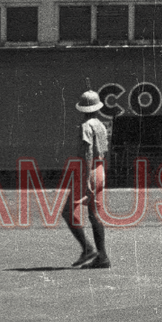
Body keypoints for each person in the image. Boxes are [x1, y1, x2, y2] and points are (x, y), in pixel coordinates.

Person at [65, 90, 112, 269]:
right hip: (100, 170)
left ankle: (88, 249)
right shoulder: (101, 124)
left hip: (88, 170)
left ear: (82, 108)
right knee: (95, 215)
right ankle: (102, 257)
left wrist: (86, 181)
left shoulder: (85, 125)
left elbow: (87, 152)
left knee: (68, 212)